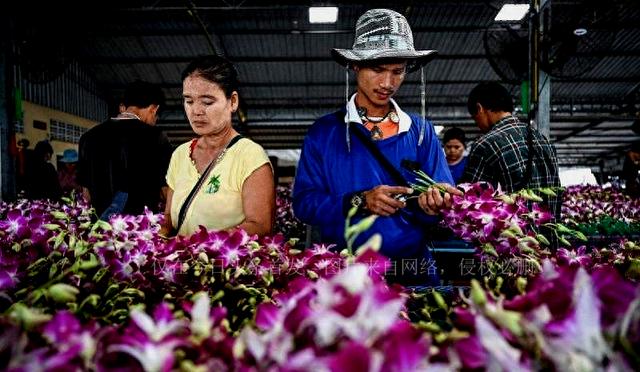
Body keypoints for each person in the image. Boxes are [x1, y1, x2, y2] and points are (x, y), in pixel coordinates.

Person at [293, 9, 461, 286]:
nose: (388, 83)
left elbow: (439, 203)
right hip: (346, 274)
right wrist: (359, 201)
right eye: (378, 69)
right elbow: (304, 204)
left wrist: (433, 205)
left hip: (411, 271)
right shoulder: (323, 133)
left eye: (398, 71)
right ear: (356, 66)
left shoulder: (421, 133)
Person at [159, 55, 275, 238]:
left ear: (233, 101)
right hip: (180, 263)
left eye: (207, 102)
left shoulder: (249, 156)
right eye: (188, 101)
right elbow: (170, 218)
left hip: (224, 265)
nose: (196, 111)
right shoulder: (180, 154)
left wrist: (205, 244)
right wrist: (157, 237)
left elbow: (260, 225)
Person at [462, 82, 561, 218]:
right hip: (549, 234)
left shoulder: (485, 144)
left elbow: (470, 200)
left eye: (475, 119)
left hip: (513, 237)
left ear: (480, 108)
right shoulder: (544, 141)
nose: (477, 125)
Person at [77, 80, 173, 220]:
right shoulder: (156, 137)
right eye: (156, 116)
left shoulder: (88, 138)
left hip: (100, 231)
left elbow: (87, 194)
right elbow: (166, 191)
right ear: (154, 108)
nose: (154, 121)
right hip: (140, 232)